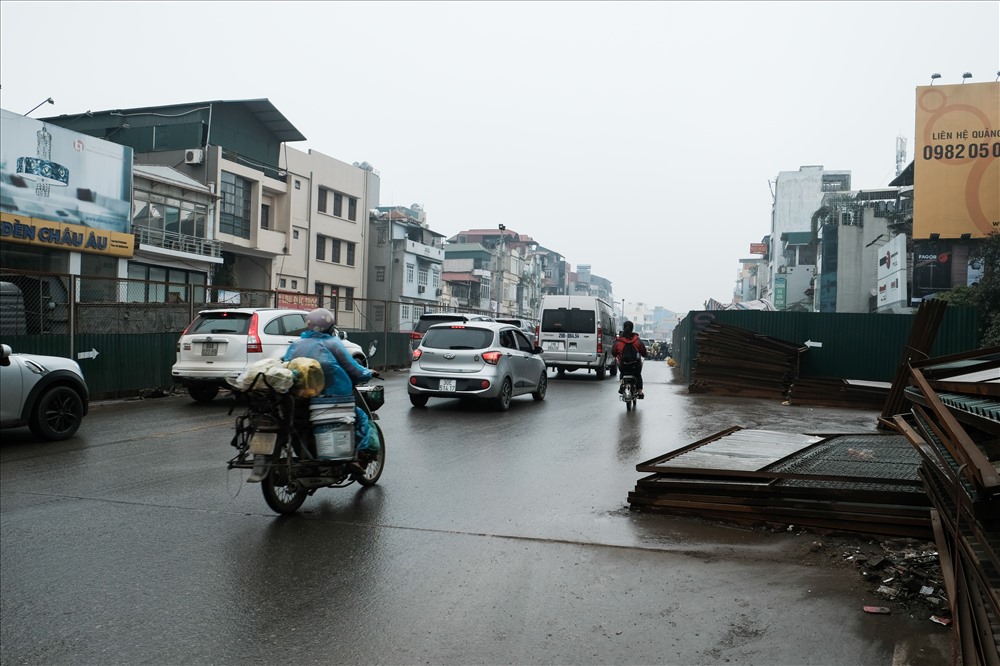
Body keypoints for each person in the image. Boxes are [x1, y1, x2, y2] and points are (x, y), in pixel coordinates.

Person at [283, 308, 379, 468]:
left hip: (301, 400)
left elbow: (288, 366)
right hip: (335, 399)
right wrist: (368, 373)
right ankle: (358, 456)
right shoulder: (333, 343)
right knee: (362, 418)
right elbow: (354, 369)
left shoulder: (296, 345)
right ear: (330, 326)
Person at [612, 320, 648, 398]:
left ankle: (622, 383)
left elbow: (614, 352)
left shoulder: (619, 341)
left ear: (623, 328)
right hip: (635, 366)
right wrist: (644, 355)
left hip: (624, 366)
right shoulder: (637, 340)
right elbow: (643, 351)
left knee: (620, 366)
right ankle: (640, 392)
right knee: (638, 375)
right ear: (632, 329)